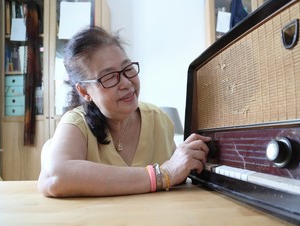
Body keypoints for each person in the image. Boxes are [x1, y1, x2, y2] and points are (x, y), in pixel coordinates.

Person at [38, 26, 210, 197]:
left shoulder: (159, 120)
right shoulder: (77, 123)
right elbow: (55, 177)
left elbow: (178, 180)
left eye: (128, 69)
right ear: (84, 91)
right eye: (110, 77)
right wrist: (162, 175)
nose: (126, 83)